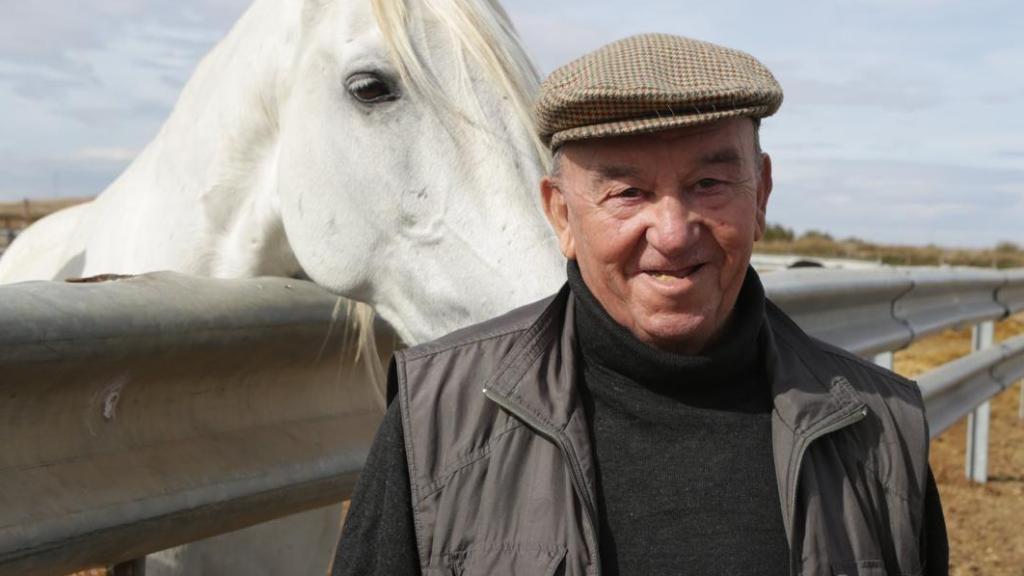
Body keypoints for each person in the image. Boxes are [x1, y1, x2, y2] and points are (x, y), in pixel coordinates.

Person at [333, 33, 948, 575]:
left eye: (708, 184)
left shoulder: (880, 429)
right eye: (628, 192)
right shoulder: (438, 422)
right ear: (561, 215)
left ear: (759, 194)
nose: (674, 232)